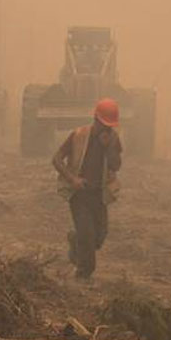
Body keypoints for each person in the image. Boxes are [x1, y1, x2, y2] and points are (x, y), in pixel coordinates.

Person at [52, 98, 122, 280]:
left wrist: (108, 149)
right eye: (104, 125)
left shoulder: (113, 139)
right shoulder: (78, 135)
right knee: (88, 240)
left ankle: (75, 240)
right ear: (95, 119)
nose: (107, 129)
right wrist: (72, 178)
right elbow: (57, 159)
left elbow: (116, 166)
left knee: (99, 238)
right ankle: (83, 276)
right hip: (80, 195)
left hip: (100, 196)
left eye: (110, 126)